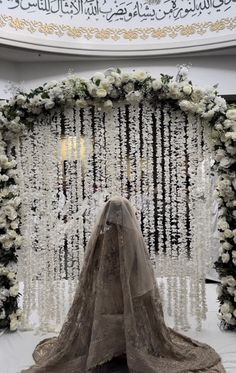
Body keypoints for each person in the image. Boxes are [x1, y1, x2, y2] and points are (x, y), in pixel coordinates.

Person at [22, 196, 225, 373]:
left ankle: (110, 347)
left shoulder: (104, 236)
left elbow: (91, 270)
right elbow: (138, 270)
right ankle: (121, 345)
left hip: (107, 296)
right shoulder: (129, 237)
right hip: (117, 295)